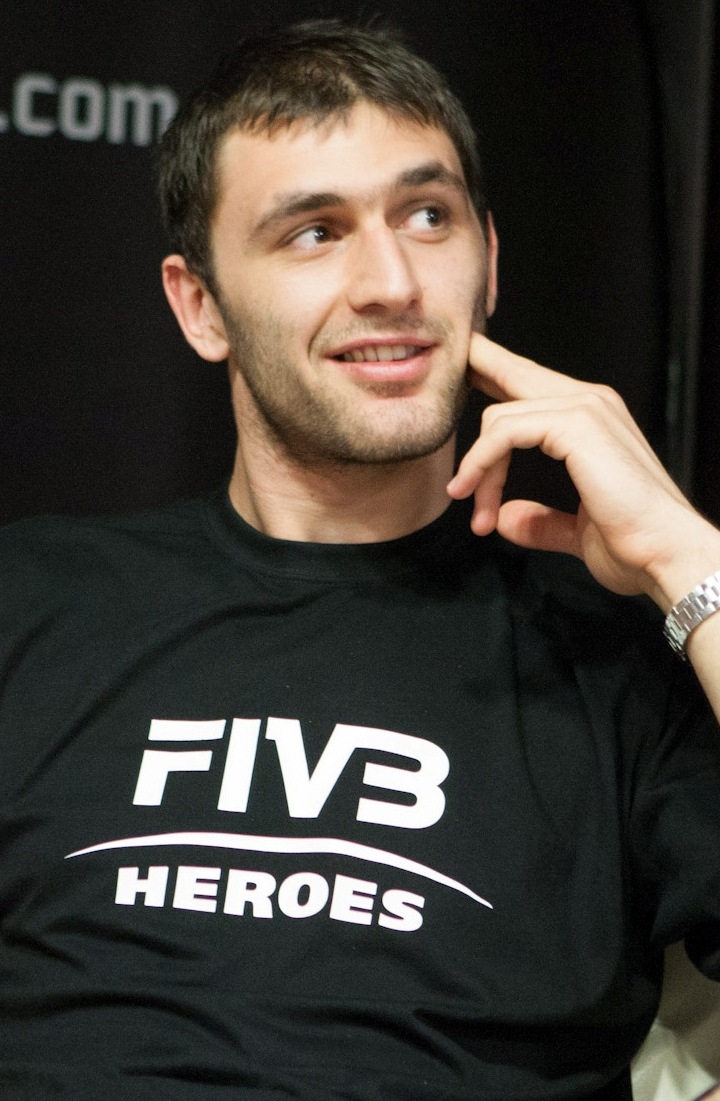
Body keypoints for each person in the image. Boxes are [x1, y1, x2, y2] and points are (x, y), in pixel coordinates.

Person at [1, 17, 719, 1101]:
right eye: (314, 231)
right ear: (201, 305)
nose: (391, 280)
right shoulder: (32, 600)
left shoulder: (619, 647)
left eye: (428, 216)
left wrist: (683, 551)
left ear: (489, 260)